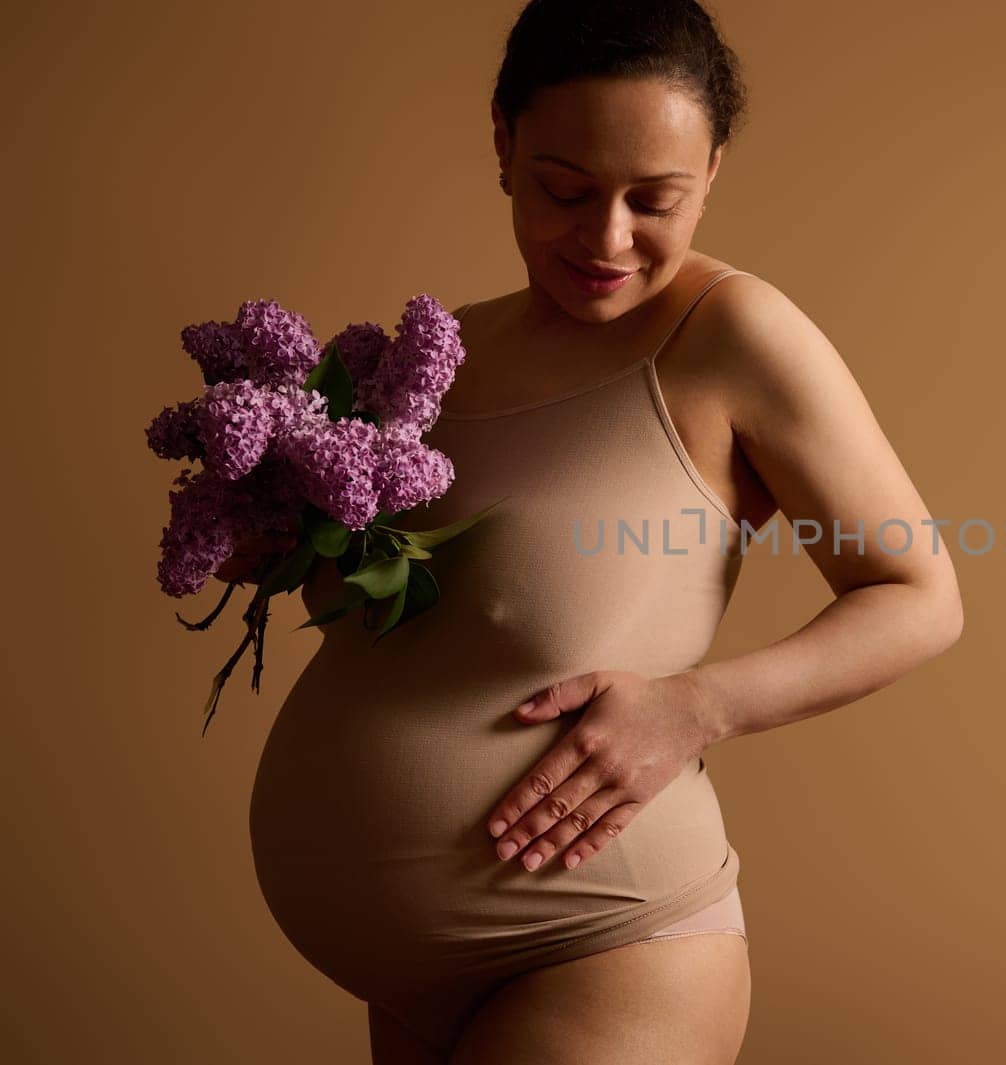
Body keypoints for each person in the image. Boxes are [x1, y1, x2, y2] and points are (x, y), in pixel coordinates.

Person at [244, 2, 963, 1062]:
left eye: (654, 199)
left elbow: (921, 596)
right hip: (402, 983)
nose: (607, 239)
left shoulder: (732, 336)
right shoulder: (442, 352)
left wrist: (697, 707)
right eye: (565, 190)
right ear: (503, 142)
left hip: (599, 946)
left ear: (712, 169)